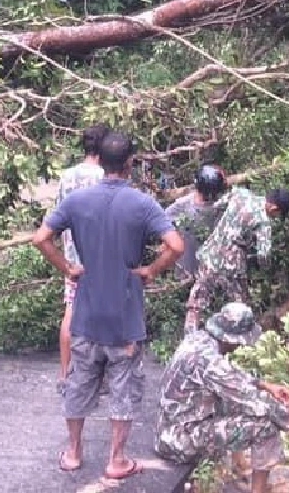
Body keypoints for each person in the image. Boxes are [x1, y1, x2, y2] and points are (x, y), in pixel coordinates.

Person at [32, 131, 186, 480]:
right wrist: (150, 270)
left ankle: (73, 452)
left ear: (98, 161)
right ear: (130, 163)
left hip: (86, 314)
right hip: (124, 317)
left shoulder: (77, 201)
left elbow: (40, 238)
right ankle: (116, 459)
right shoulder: (143, 203)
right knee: (123, 385)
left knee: (79, 382)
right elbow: (175, 246)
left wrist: (68, 268)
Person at [155, 302, 289, 493]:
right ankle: (258, 490)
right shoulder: (210, 361)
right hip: (179, 441)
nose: (239, 346)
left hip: (169, 430)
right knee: (266, 424)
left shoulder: (199, 340)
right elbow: (255, 400)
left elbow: (232, 377)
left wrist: (264, 384)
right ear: (230, 338)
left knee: (235, 402)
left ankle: (239, 466)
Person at [184, 186, 289, 332]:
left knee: (196, 303)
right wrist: (266, 269)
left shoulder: (241, 193)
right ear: (274, 208)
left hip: (210, 256)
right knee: (242, 309)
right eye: (278, 214)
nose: (275, 217)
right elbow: (263, 254)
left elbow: (217, 206)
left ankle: (189, 338)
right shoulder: (263, 222)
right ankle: (241, 344)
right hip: (231, 269)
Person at [55, 124, 109, 390]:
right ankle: (101, 375)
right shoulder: (106, 176)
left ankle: (65, 374)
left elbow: (58, 217)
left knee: (71, 311)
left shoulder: (67, 176)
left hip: (73, 256)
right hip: (102, 255)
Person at [164, 164, 228, 282]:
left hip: (210, 271)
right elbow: (161, 221)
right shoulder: (183, 204)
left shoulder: (222, 207)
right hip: (186, 269)